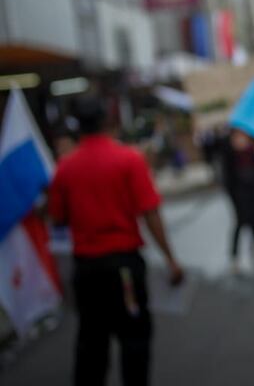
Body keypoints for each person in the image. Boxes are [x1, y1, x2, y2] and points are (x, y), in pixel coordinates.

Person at [48, 95, 185, 386]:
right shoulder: (129, 159)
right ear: (107, 120)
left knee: (91, 345)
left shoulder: (65, 168)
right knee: (134, 340)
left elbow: (57, 217)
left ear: (77, 127)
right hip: (123, 270)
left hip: (86, 271)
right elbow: (150, 213)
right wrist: (171, 260)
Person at [220, 128, 254, 273]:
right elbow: (228, 178)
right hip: (239, 194)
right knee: (240, 224)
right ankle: (234, 257)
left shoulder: (252, 149)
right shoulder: (229, 152)